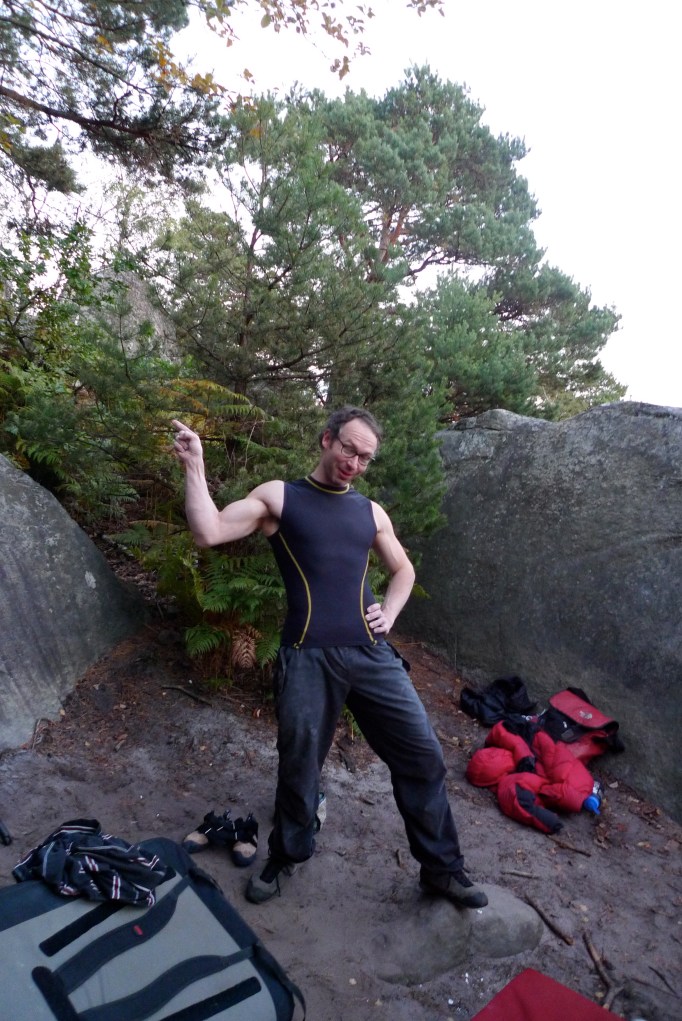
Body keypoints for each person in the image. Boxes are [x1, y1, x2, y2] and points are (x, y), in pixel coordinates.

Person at [172, 406, 488, 909]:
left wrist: (390, 612)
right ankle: (287, 855)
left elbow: (403, 570)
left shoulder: (370, 512)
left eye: (365, 457)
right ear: (326, 439)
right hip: (307, 656)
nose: (354, 463)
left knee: (423, 755)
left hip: (371, 654)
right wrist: (195, 465)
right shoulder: (281, 497)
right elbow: (208, 531)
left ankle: (442, 870)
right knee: (300, 765)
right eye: (348, 449)